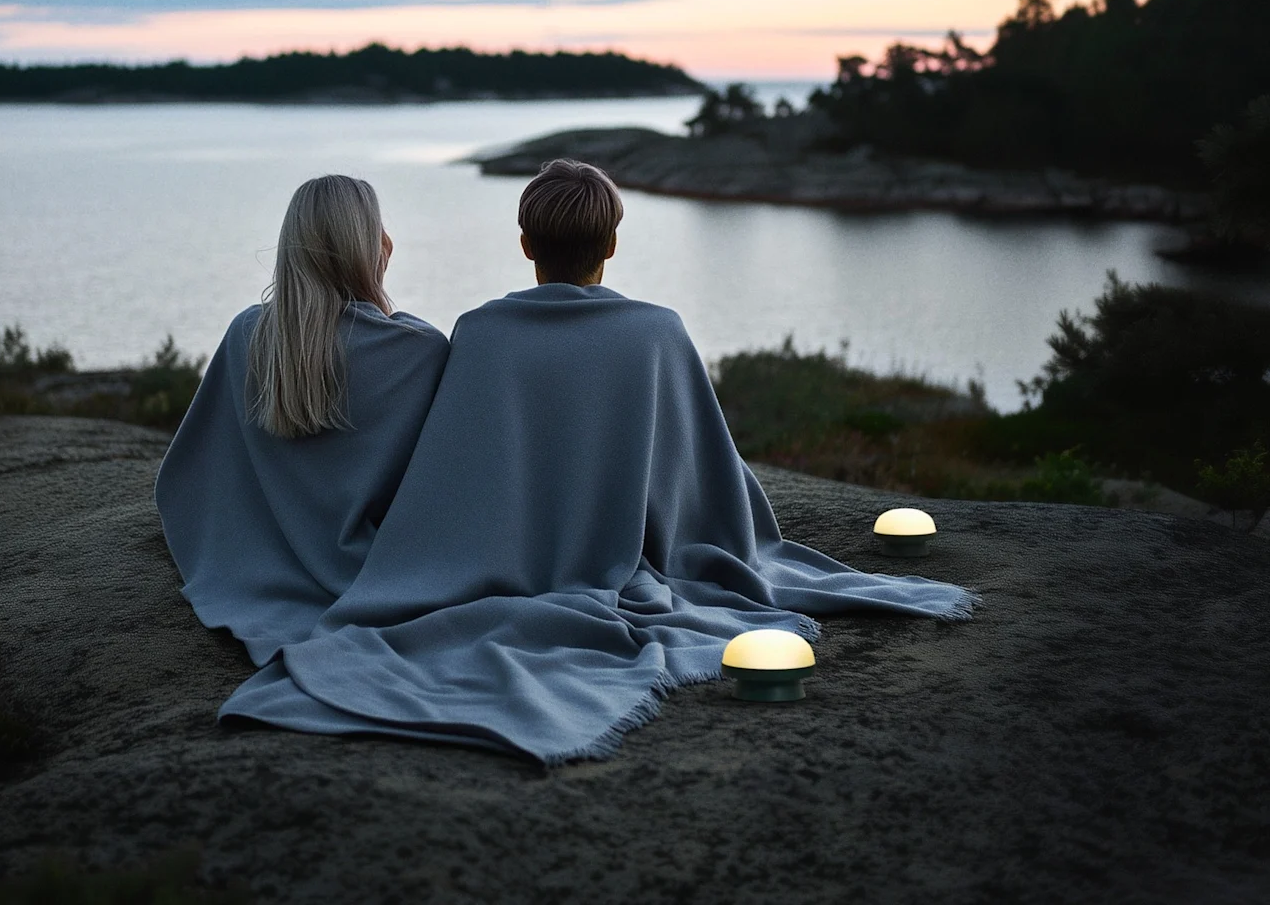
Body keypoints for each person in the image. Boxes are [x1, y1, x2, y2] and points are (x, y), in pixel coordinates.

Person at [222, 159, 978, 764]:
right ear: (612, 244)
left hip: (331, 575)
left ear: (525, 244)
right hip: (599, 574)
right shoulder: (654, 332)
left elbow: (455, 474)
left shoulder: (475, 335)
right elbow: (698, 471)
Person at [156, 174, 450, 668]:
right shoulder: (418, 349)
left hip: (250, 574)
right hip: (380, 571)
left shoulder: (247, 335)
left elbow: (191, 475)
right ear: (372, 244)